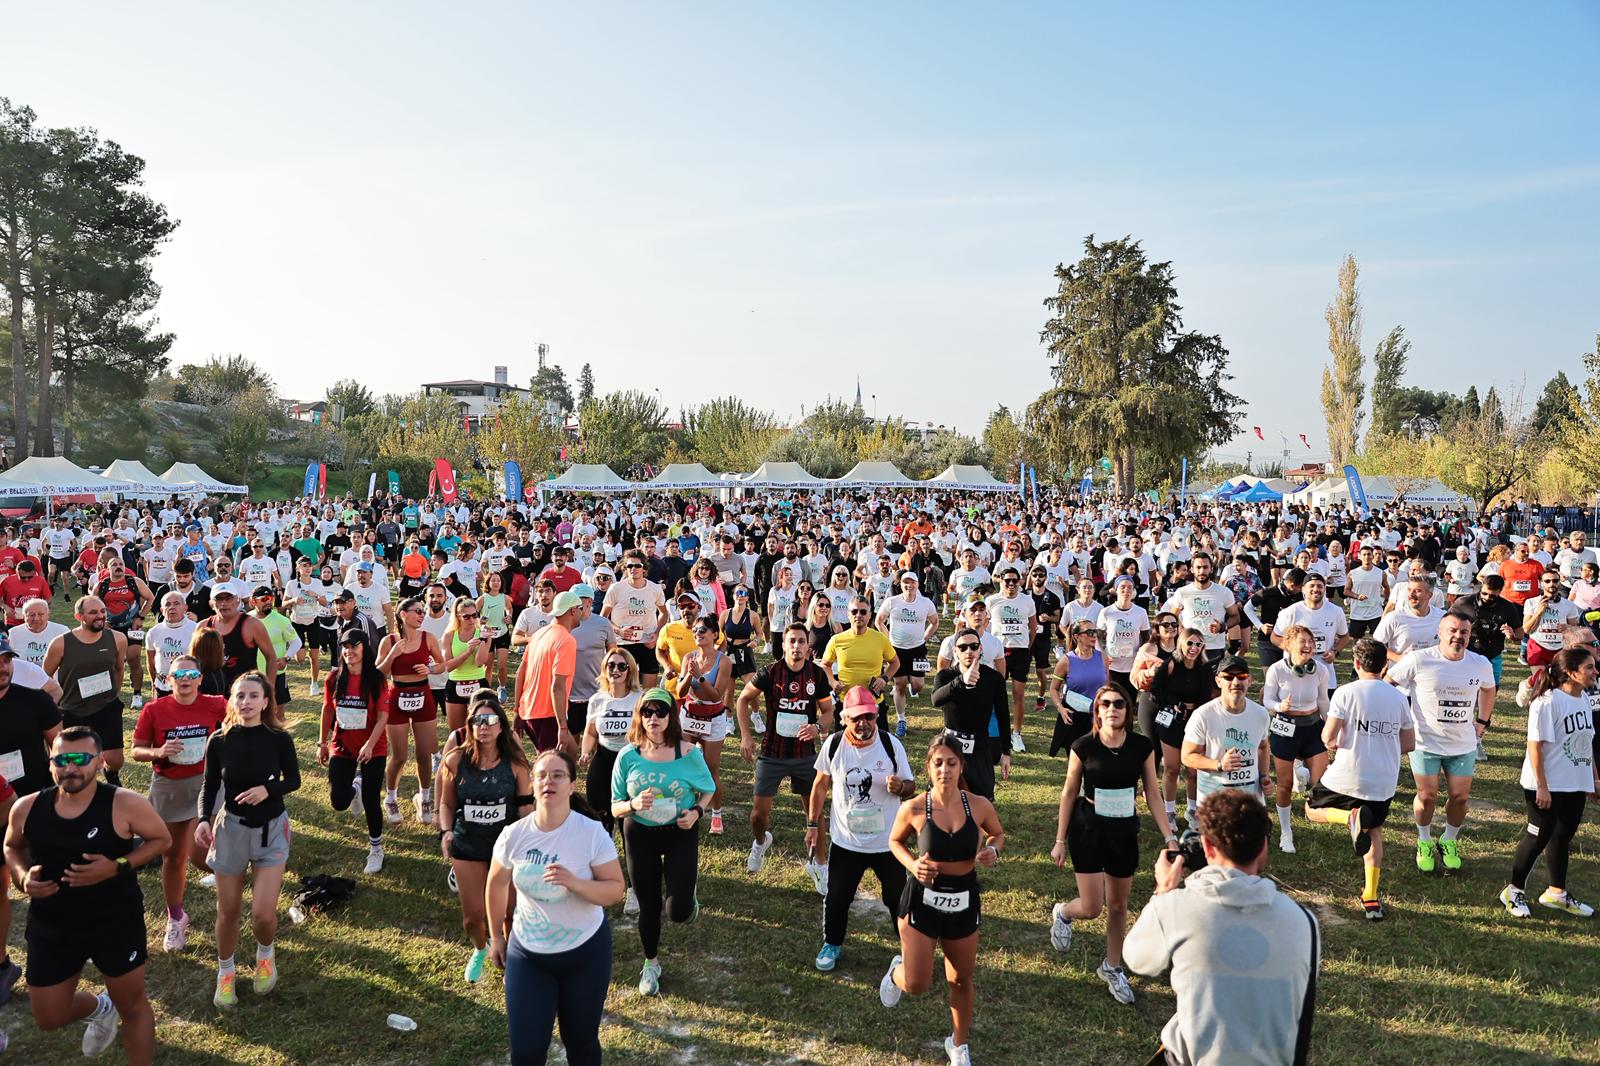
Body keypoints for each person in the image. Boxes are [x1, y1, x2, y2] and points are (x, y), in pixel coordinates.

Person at [3, 726, 169, 1063]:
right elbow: (11, 846)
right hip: (52, 921)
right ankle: (99, 1006)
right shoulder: (27, 807)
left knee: (133, 1006)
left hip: (113, 919)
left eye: (80, 759)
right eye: (61, 759)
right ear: (51, 763)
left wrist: (118, 865)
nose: (70, 767)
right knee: (48, 1017)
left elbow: (161, 840)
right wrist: (22, 877)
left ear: (99, 762)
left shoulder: (124, 804)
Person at [1124, 791, 1320, 1066]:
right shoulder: (1304, 921)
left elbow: (1137, 959)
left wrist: (1163, 892)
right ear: (1263, 848)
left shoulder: (1176, 908)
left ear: (1207, 846)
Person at [488, 749, 624, 1066]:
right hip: (529, 955)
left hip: (585, 953)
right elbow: (495, 884)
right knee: (527, 1049)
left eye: (558, 775)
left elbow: (615, 889)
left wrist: (575, 883)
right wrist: (496, 936)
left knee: (581, 1042)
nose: (549, 780)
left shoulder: (590, 833)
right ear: (532, 785)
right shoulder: (514, 836)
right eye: (542, 775)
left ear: (572, 785)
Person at [879, 734, 1005, 1066]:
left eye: (951, 763)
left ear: (961, 766)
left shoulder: (978, 805)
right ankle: (897, 972)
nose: (945, 770)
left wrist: (992, 849)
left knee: (961, 978)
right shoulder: (915, 807)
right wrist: (912, 865)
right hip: (921, 901)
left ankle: (959, 1044)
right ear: (928, 767)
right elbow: (895, 841)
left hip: (963, 899)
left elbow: (998, 833)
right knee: (917, 984)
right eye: (938, 763)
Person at [1048, 684, 1176, 1003]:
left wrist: (1169, 836)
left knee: (1118, 906)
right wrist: (1060, 839)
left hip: (1123, 831)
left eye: (1119, 703)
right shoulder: (1083, 746)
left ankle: (1112, 966)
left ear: (1128, 710)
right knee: (1092, 908)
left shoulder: (1142, 747)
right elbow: (1068, 792)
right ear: (1097, 711)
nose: (1112, 708)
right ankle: (1064, 913)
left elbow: (1152, 793)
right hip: (1088, 827)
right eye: (1105, 704)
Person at [195, 672, 301, 1008]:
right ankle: (225, 973)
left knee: (262, 916)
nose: (246, 702)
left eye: (254, 696)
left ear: (266, 701)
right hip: (232, 831)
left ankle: (265, 955)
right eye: (240, 696)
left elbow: (294, 780)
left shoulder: (278, 738)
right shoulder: (220, 740)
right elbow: (209, 786)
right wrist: (202, 820)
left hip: (272, 828)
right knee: (228, 911)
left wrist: (267, 789)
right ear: (232, 700)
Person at [609, 687, 715, 996]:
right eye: (647, 712)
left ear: (672, 716)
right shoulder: (628, 756)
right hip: (639, 834)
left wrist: (697, 811)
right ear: (639, 717)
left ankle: (686, 899)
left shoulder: (688, 753)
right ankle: (651, 963)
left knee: (677, 911)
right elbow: (614, 805)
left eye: (660, 711)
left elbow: (707, 788)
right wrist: (632, 806)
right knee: (649, 905)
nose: (653, 718)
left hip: (679, 831)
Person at [1304, 638, 1414, 921]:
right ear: (1385, 665)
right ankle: (1371, 897)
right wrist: (1383, 744)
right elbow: (1409, 743)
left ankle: (1348, 819)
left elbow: (1327, 738)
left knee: (1311, 810)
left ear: (1356, 664)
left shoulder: (1345, 693)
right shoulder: (1399, 698)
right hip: (1383, 780)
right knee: (1374, 831)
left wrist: (1342, 743)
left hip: (1347, 775)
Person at [806, 686, 914, 973]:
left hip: (887, 843)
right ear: (844, 719)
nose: (863, 723)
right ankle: (832, 943)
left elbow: (911, 785)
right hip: (846, 844)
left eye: (868, 716)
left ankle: (909, 947)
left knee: (897, 898)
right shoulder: (834, 745)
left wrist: (900, 787)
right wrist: (813, 824)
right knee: (838, 896)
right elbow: (820, 785)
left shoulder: (891, 745)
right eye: (856, 718)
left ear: (876, 715)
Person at [130, 655, 228, 950]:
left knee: (201, 856)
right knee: (172, 857)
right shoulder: (155, 709)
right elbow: (136, 750)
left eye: (190, 674)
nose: (184, 679)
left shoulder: (216, 704)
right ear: (168, 680)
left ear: (200, 679)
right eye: (177, 675)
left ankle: (232, 885)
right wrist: (159, 751)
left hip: (206, 785)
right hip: (169, 787)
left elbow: (243, 723)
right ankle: (176, 918)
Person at [1388, 613, 1495, 873]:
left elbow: (1489, 689)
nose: (1458, 636)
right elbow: (1389, 683)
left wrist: (1482, 721)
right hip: (1426, 742)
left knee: (1460, 798)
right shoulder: (1419, 659)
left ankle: (1448, 839)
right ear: (1440, 631)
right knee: (1427, 796)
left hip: (1462, 744)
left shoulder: (1479, 663)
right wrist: (1401, 721)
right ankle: (1424, 840)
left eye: (1464, 632)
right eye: (1453, 630)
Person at [438, 696, 531, 982]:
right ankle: (480, 948)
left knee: (509, 911)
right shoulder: (455, 760)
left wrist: (531, 840)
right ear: (470, 726)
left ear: (502, 727)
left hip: (506, 846)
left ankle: (511, 961)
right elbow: (447, 804)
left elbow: (527, 807)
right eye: (478, 721)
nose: (484, 726)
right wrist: (446, 831)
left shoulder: (515, 765)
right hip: (467, 844)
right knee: (472, 918)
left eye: (491, 720)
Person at [1501, 647, 1597, 919]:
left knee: (1562, 836)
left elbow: (1586, 741)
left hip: (1573, 782)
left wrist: (1594, 777)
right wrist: (1542, 786)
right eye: (1589, 667)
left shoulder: (1583, 700)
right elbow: (1535, 746)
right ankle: (1513, 891)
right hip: (1544, 784)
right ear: (1570, 672)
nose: (1595, 672)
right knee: (1538, 836)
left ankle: (1557, 893)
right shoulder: (1547, 702)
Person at [736, 623, 835, 885]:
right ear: (783, 645)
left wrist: (817, 727)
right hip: (772, 753)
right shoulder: (770, 672)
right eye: (792, 641)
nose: (797, 646)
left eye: (801, 641)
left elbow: (828, 713)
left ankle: (820, 865)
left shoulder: (817, 675)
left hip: (804, 755)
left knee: (813, 813)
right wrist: (746, 735)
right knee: (758, 814)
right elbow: (743, 700)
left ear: (808, 646)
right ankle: (760, 841)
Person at [318, 631, 391, 874]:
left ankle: (376, 849)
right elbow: (328, 710)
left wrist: (370, 744)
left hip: (374, 747)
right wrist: (322, 742)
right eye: (345, 647)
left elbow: (383, 716)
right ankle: (354, 789)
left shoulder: (377, 679)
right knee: (339, 800)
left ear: (364, 648)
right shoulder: (334, 678)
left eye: (354, 646)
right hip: (343, 746)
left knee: (371, 800)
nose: (349, 651)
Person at [1260, 625, 1332, 853]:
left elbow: (1323, 702)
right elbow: (1267, 701)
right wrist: (1279, 706)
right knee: (1285, 785)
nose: (1308, 646)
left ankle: (1302, 771)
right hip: (1285, 727)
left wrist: (1331, 727)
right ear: (1289, 645)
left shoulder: (1320, 670)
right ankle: (1286, 832)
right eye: (1303, 641)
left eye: (1311, 642)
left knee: (1319, 782)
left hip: (1312, 727)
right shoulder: (1277, 670)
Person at [43, 596, 129, 784]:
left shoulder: (118, 639)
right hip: (72, 709)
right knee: (74, 761)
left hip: (106, 705)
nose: (100, 616)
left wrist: (115, 695)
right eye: (93, 613)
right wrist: (53, 703)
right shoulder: (60, 644)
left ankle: (111, 774)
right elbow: (45, 676)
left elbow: (119, 669)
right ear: (79, 616)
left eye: (102, 611)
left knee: (115, 760)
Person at [377, 597, 445, 825]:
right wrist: (393, 655)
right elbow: (379, 673)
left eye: (422, 611)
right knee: (399, 755)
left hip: (423, 694)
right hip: (397, 696)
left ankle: (424, 797)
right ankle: (391, 797)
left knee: (424, 753)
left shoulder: (429, 638)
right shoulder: (390, 641)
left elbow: (442, 664)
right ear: (402, 614)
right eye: (417, 611)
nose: (422, 615)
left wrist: (430, 668)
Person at [930, 629, 1010, 800]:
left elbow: (1003, 715)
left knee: (983, 800)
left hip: (980, 746)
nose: (969, 651)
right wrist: (961, 680)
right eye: (963, 647)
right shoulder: (946, 676)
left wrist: (1006, 752)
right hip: (950, 745)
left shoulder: (994, 678)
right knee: (942, 800)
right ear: (955, 651)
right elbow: (936, 700)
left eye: (973, 646)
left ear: (981, 649)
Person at [1152, 629, 1219, 825]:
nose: (1194, 648)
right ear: (1181, 643)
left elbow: (1208, 695)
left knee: (1193, 770)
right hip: (1172, 720)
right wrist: (1174, 703)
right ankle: (1169, 812)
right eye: (1190, 643)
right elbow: (1156, 689)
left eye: (1198, 644)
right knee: (1172, 768)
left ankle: (1192, 809)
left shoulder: (1205, 668)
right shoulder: (1171, 664)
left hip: (1195, 721)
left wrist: (1196, 710)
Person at [1181, 654, 1270, 803]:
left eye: (1241, 676)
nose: (1235, 682)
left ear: (1249, 680)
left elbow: (1263, 747)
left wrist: (1264, 777)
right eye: (1228, 677)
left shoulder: (1261, 714)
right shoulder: (1203, 715)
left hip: (1251, 802)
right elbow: (1187, 756)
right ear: (1218, 681)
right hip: (1215, 804)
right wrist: (1219, 765)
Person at [677, 613, 733, 833]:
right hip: (690, 714)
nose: (697, 634)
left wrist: (699, 677)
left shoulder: (724, 661)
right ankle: (685, 807)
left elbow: (716, 696)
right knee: (684, 762)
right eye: (695, 631)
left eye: (702, 631)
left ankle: (716, 815)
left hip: (713, 716)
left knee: (710, 769)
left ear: (715, 635)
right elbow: (679, 692)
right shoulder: (689, 658)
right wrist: (687, 677)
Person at [195, 586, 280, 725]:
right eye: (219, 599)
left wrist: (269, 691)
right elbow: (194, 662)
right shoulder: (203, 627)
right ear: (211, 603)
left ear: (237, 601)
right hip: (212, 694)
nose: (224, 603)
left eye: (228, 598)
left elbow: (271, 657)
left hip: (244, 695)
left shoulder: (251, 625)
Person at [516, 591, 582, 754]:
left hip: (530, 710)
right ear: (573, 610)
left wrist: (517, 710)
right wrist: (562, 727)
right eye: (580, 608)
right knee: (551, 769)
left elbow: (520, 672)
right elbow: (557, 686)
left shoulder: (539, 634)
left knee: (571, 754)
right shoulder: (566, 641)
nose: (582, 612)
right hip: (546, 714)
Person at [0, 631, 63, 798]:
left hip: (35, 795)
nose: (3, 667)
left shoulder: (37, 701)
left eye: (7, 660)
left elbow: (59, 748)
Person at [878, 570, 939, 740]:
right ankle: (901, 720)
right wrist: (887, 638)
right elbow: (879, 620)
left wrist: (925, 637)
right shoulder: (892, 601)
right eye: (906, 582)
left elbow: (935, 622)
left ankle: (914, 685)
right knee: (900, 684)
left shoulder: (925, 603)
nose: (909, 585)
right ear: (901, 584)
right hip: (897, 648)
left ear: (917, 584)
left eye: (912, 582)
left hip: (917, 648)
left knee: (918, 685)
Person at [821, 597, 897, 729]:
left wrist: (884, 678)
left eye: (863, 612)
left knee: (879, 745)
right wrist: (833, 682)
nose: (858, 615)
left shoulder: (880, 639)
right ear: (848, 614)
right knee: (846, 745)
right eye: (854, 611)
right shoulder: (837, 640)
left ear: (869, 615)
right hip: (846, 702)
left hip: (874, 702)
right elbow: (825, 665)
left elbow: (895, 662)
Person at [985, 567, 1037, 753]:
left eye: (1015, 580)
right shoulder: (991, 600)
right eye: (1007, 580)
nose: (1011, 584)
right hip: (998, 652)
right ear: (1000, 580)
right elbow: (984, 624)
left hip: (1020, 652)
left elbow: (1033, 626)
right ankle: (994, 730)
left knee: (1018, 694)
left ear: (1020, 582)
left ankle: (1017, 733)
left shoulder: (1027, 601)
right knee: (994, 693)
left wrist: (1026, 647)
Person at [602, 549, 669, 687]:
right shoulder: (616, 589)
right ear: (625, 568)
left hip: (647, 643)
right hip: (623, 644)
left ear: (644, 568)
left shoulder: (655, 589)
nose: (634, 569)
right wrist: (619, 631)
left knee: (647, 692)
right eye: (630, 566)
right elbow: (603, 617)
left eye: (637, 566)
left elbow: (664, 613)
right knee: (622, 689)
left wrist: (656, 634)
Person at [1048, 619, 1106, 757]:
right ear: (1077, 636)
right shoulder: (1066, 661)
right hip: (1075, 717)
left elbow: (1107, 687)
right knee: (1076, 762)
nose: (1094, 636)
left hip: (1098, 717)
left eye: (1095, 632)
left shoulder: (1102, 657)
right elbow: (1054, 689)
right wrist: (1060, 708)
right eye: (1089, 632)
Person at [441, 595, 491, 743]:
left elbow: (479, 662)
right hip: (456, 683)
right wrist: (468, 651)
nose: (471, 620)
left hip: (478, 683)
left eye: (474, 615)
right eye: (466, 616)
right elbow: (448, 666)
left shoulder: (483, 633)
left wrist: (483, 641)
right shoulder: (449, 636)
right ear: (458, 617)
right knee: (457, 735)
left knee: (482, 733)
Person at [145, 591, 199, 701]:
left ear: (185, 608)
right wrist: (154, 684)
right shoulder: (154, 632)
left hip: (188, 686)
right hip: (162, 687)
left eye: (176, 604)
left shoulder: (196, 629)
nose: (172, 607)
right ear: (162, 610)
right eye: (167, 604)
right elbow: (151, 662)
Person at [478, 569, 513, 698]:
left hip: (502, 633)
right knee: (488, 665)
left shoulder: (504, 597)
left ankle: (502, 688)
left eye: (498, 580)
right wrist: (479, 620)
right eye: (493, 580)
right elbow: (473, 613)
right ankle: (486, 691)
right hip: (487, 635)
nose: (496, 583)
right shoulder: (483, 598)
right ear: (488, 583)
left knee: (502, 665)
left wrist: (508, 617)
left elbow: (509, 608)